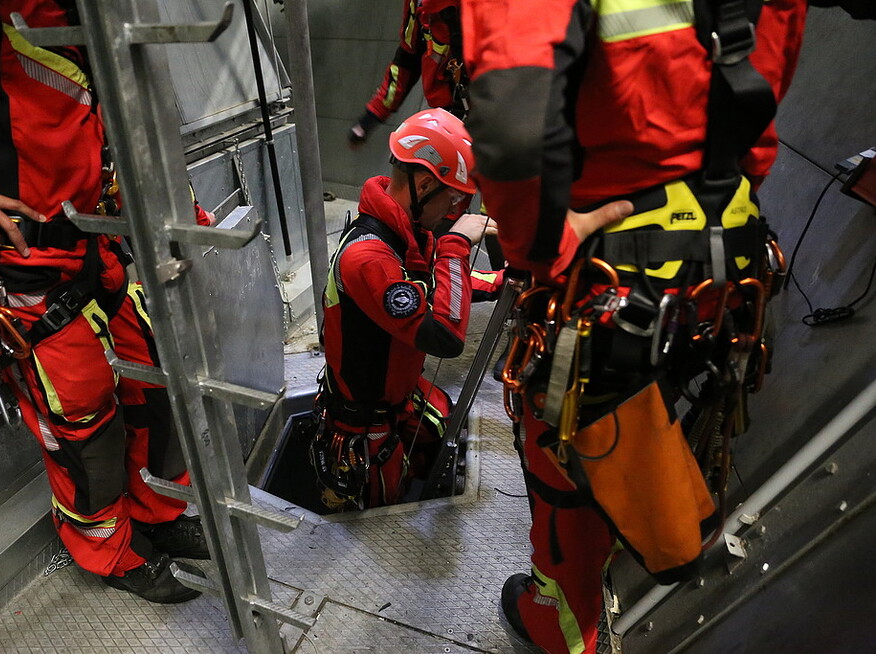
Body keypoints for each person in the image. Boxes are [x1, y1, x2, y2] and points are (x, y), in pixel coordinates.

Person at [455, 0, 874, 651]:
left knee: (564, 452)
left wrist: (543, 246)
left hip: (605, 285)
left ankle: (564, 628)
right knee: (663, 414)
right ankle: (638, 530)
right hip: (719, 267)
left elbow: (509, 130)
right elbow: (756, 124)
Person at [0, 0, 208, 604]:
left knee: (156, 376)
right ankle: (107, 547)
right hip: (16, 265)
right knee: (83, 421)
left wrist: (181, 213)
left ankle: (159, 515)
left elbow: (115, 111)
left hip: (92, 243)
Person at [310, 108, 500, 510]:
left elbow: (437, 284)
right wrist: (456, 244)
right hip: (365, 423)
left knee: (445, 429)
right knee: (378, 503)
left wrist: (503, 282)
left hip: (401, 397)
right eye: (453, 201)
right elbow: (444, 334)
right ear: (426, 184)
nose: (455, 214)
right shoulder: (368, 259)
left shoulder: (405, 232)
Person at [348, 0, 468, 146]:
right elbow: (406, 61)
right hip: (448, 117)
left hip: (481, 113)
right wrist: (369, 119)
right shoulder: (417, 5)